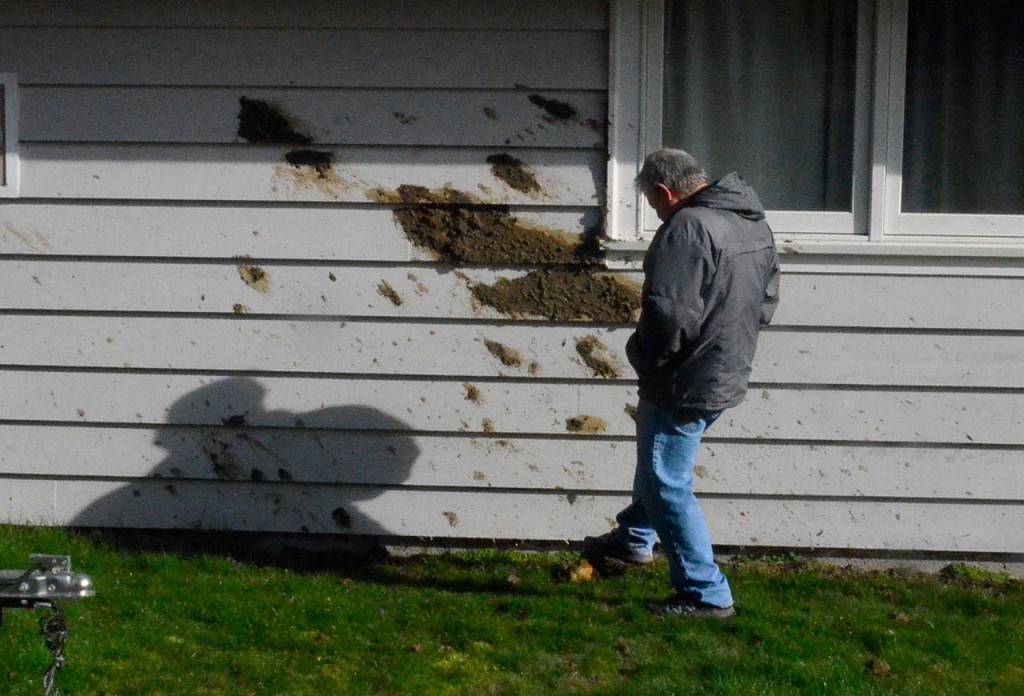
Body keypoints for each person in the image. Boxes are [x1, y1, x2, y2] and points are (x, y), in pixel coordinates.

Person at [584, 149, 780, 618]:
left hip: (685, 377)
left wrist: (646, 360)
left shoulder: (688, 227)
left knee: (667, 481)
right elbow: (767, 299)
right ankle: (635, 538)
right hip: (725, 368)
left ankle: (705, 592)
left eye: (653, 203)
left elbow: (669, 313)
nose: (656, 212)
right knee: (658, 464)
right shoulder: (749, 220)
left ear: (666, 193)